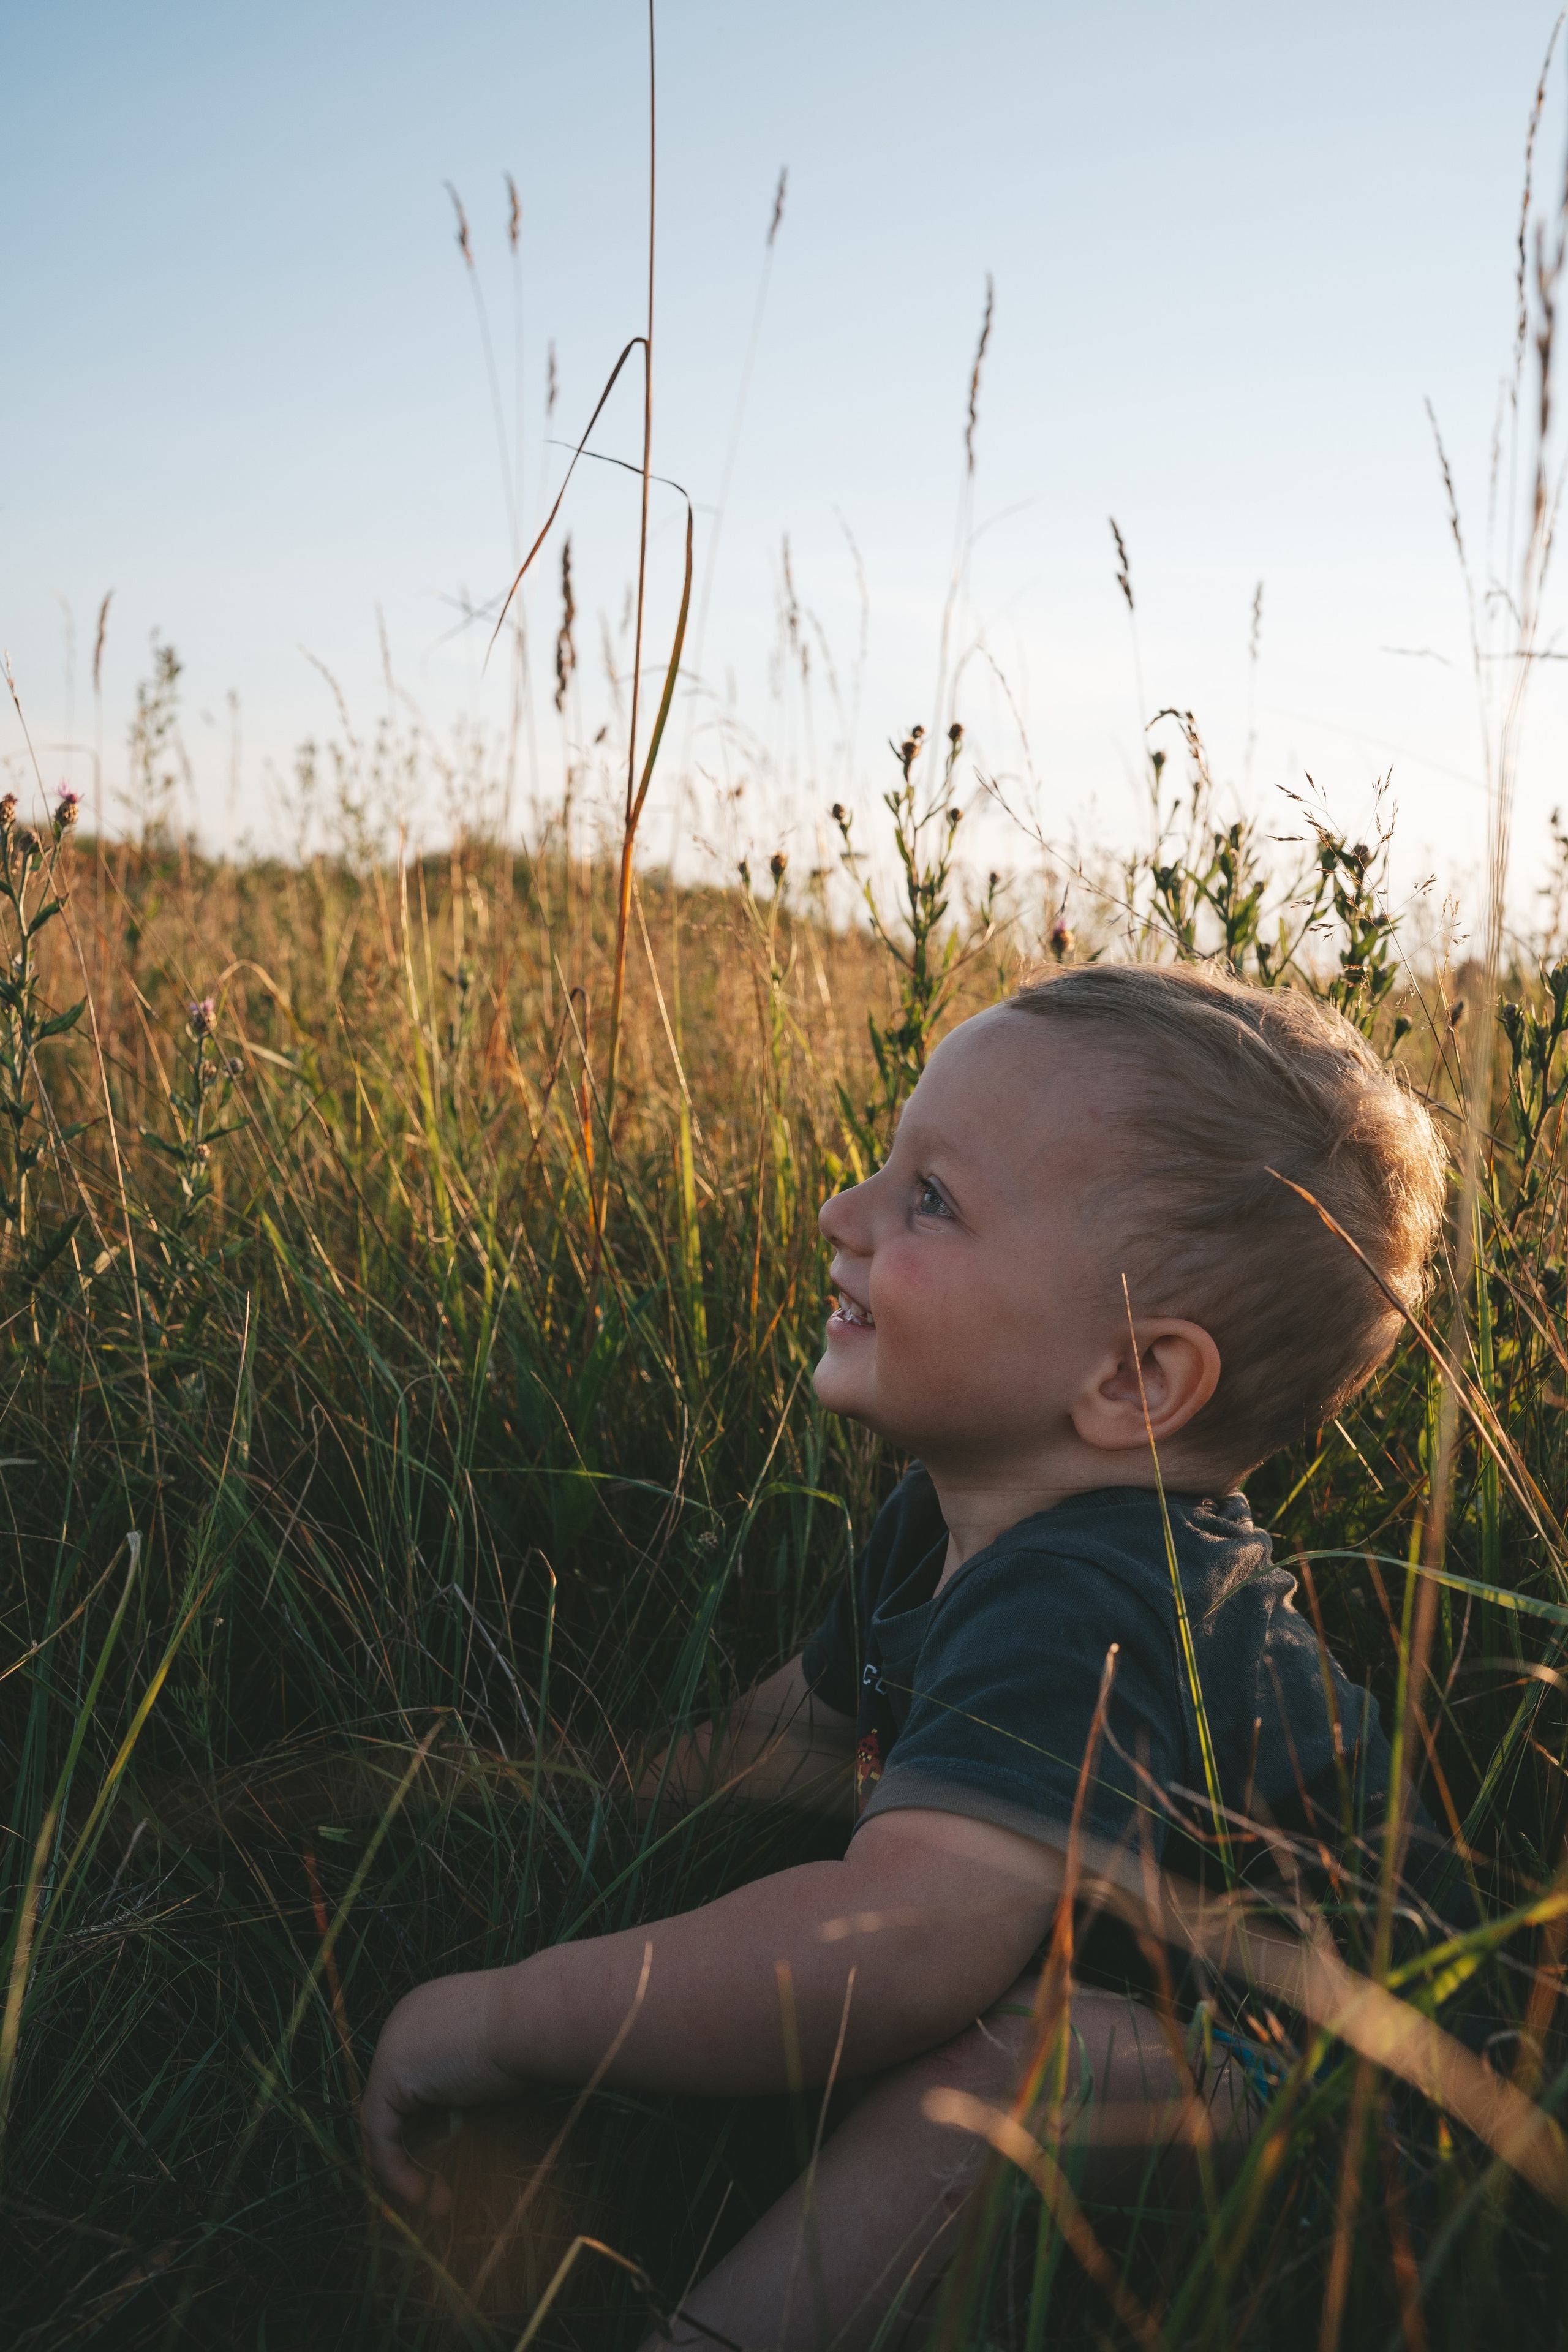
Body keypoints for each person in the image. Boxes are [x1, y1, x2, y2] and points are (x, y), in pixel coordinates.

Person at [361, 961, 1447, 2348]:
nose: (843, 1215)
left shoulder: (1099, 1598)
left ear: (1129, 1380)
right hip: (1179, 2049)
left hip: (1355, 2118)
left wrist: (506, 2019)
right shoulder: (953, 1514)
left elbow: (888, 1950)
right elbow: (776, 1751)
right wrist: (523, 1795)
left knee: (1018, 2068)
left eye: (928, 1198)